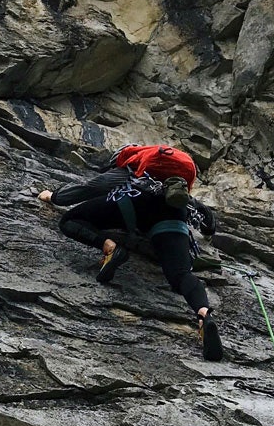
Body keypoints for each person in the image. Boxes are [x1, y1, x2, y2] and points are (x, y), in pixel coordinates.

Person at [39, 144, 223, 361]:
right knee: (181, 275)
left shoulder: (129, 169)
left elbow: (93, 187)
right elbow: (208, 222)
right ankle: (203, 314)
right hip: (172, 217)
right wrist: (208, 231)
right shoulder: (179, 190)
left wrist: (54, 196)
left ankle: (110, 247)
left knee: (69, 220)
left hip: (130, 203)